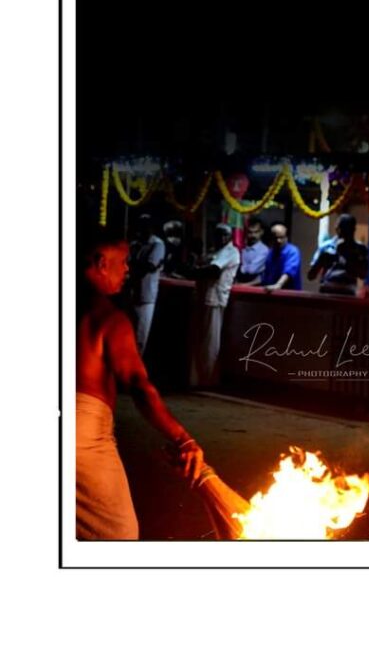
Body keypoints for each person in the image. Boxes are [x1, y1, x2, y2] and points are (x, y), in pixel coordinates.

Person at [77, 227, 204, 540]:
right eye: (123, 261)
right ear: (101, 262)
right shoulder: (107, 318)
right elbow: (139, 386)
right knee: (119, 535)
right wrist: (183, 439)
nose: (127, 269)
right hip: (82, 438)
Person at [187, 224, 240, 387]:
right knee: (199, 339)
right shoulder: (213, 251)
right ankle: (197, 378)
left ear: (230, 237)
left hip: (215, 299)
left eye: (224, 235)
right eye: (218, 234)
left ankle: (207, 379)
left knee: (210, 341)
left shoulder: (231, 251)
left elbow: (213, 271)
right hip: (203, 297)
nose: (221, 238)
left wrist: (193, 271)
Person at [129, 214, 165, 355]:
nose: (142, 228)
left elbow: (149, 267)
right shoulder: (135, 244)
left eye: (146, 225)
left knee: (140, 337)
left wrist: (136, 265)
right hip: (133, 293)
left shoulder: (157, 244)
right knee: (130, 334)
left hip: (146, 296)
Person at [307, 213, 369, 296]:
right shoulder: (326, 247)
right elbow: (310, 276)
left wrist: (346, 259)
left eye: (347, 229)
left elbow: (363, 275)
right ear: (337, 229)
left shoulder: (360, 248)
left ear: (353, 230)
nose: (343, 232)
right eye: (341, 228)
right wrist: (321, 260)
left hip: (348, 294)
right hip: (327, 292)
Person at [261, 223, 302, 291]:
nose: (279, 241)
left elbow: (289, 272)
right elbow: (266, 275)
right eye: (276, 238)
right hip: (272, 293)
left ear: (286, 237)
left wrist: (278, 285)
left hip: (290, 295)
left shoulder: (293, 251)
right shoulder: (270, 253)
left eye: (281, 237)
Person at [236, 217, 270, 284]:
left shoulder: (264, 250)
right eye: (250, 232)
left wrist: (240, 268)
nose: (253, 235)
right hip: (241, 284)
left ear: (262, 232)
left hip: (256, 286)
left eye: (256, 232)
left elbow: (251, 270)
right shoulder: (243, 248)